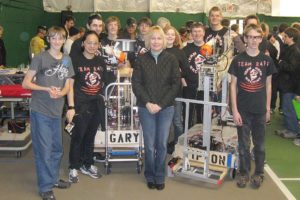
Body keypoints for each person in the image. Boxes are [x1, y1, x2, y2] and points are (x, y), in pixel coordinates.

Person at [22, 26, 74, 200]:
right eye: (53, 38)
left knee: (57, 149)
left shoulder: (67, 60)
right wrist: (46, 88)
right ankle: (45, 187)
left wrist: (62, 92)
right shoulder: (40, 58)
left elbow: (69, 85)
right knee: (44, 150)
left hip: (56, 111)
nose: (57, 41)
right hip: (40, 110)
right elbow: (26, 83)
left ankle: (52, 179)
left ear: (64, 39)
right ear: (49, 39)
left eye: (60, 38)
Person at [132, 26, 180, 190]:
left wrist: (161, 104)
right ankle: (149, 174)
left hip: (166, 108)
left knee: (161, 143)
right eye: (153, 38)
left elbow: (176, 85)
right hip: (146, 108)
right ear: (148, 40)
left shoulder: (171, 59)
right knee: (150, 144)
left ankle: (159, 176)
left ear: (164, 40)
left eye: (159, 38)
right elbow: (136, 84)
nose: (156, 41)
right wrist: (147, 103)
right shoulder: (141, 59)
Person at [228, 24, 276, 189]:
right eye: (250, 37)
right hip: (243, 110)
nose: (253, 40)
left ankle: (259, 173)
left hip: (260, 110)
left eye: (257, 37)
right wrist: (234, 110)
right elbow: (233, 85)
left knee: (260, 145)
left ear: (260, 39)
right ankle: (244, 173)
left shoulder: (266, 60)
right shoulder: (238, 60)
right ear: (245, 39)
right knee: (243, 145)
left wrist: (268, 108)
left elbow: (269, 85)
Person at [67, 31, 109, 183]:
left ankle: (87, 163)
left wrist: (124, 66)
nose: (92, 46)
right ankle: (73, 166)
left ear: (98, 45)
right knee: (78, 136)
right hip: (80, 104)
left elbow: (106, 79)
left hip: (96, 104)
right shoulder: (75, 60)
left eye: (95, 43)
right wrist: (71, 107)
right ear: (83, 43)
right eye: (89, 42)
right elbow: (69, 85)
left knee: (90, 137)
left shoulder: (100, 61)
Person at [163, 25, 189, 153]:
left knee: (177, 121)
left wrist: (178, 72)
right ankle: (162, 145)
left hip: (176, 92)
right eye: (168, 34)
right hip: (161, 93)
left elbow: (186, 70)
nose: (170, 37)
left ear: (176, 37)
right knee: (162, 123)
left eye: (173, 35)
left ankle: (178, 146)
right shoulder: (158, 50)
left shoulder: (179, 52)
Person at [275, 27, 300, 141]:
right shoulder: (289, 48)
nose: (283, 38)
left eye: (285, 36)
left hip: (290, 85)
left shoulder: (295, 51)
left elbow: (292, 68)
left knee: (289, 108)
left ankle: (293, 130)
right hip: (286, 84)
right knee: (286, 108)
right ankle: (288, 128)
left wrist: (281, 63)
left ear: (291, 37)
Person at [182, 22, 206, 128]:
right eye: (194, 31)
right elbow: (179, 68)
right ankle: (186, 138)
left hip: (205, 87)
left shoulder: (211, 49)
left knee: (203, 115)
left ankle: (202, 140)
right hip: (189, 87)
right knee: (188, 115)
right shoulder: (185, 49)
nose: (197, 34)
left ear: (204, 33)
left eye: (199, 31)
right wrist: (184, 84)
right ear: (191, 33)